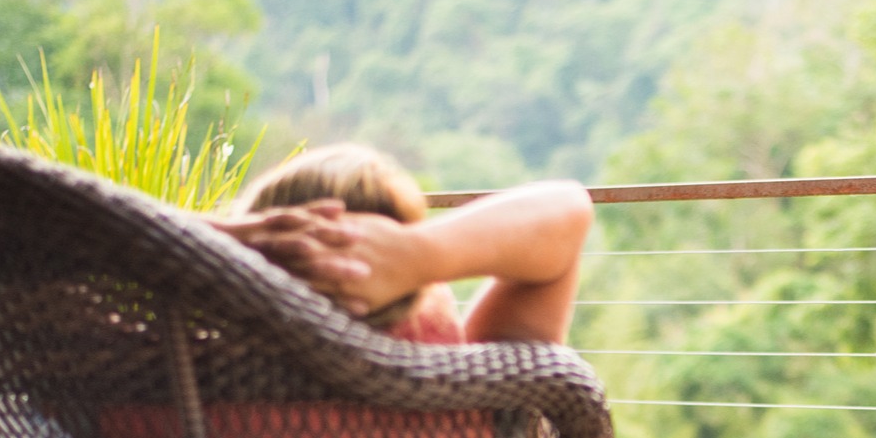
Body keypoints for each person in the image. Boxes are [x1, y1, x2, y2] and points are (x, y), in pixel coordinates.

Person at [204, 143, 591, 346]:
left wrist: (226, 242)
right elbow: (568, 209)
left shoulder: (180, 383)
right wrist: (420, 255)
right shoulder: (465, 405)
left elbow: (141, 225)